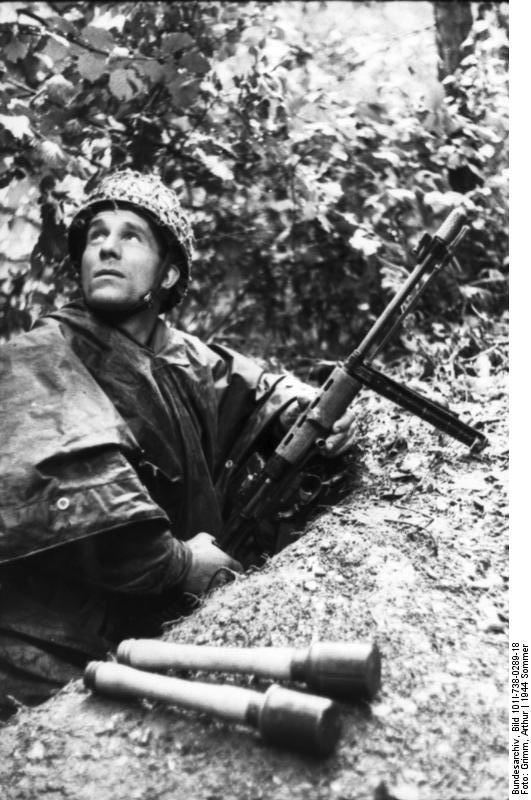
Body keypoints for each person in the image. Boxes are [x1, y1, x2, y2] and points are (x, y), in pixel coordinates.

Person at [0, 170, 357, 714]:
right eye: (97, 235)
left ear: (167, 276)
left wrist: (310, 412)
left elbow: (255, 392)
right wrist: (181, 564)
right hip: (50, 642)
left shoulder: (185, 355)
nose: (107, 248)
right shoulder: (42, 355)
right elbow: (83, 503)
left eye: (130, 236)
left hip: (172, 619)